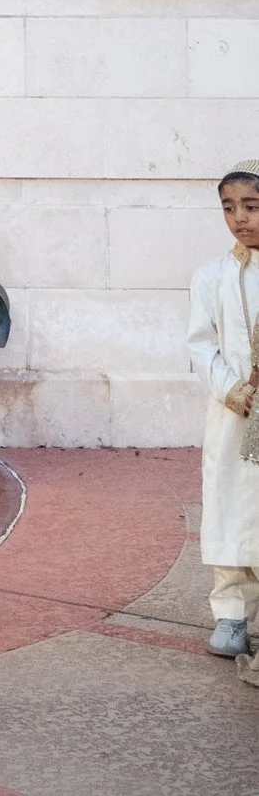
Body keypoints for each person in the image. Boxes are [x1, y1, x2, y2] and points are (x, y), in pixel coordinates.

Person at [191, 160, 259, 660]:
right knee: (230, 504)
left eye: (251, 206)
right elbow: (200, 345)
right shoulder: (212, 276)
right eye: (229, 207)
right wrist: (233, 389)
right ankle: (231, 616)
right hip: (234, 413)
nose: (239, 218)